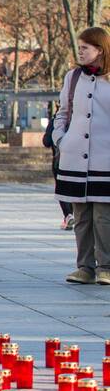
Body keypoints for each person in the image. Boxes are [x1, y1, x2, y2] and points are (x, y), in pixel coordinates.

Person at [53, 27, 110, 284]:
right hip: (74, 156)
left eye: (86, 47)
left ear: (100, 49)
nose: (81, 51)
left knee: (103, 215)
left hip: (105, 157)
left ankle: (106, 267)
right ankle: (84, 267)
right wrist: (60, 139)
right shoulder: (73, 77)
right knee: (82, 216)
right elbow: (63, 112)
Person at [43, 107, 74, 229]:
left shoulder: (56, 120)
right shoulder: (79, 119)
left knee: (62, 190)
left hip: (59, 160)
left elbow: (46, 141)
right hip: (78, 161)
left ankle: (68, 215)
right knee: (75, 188)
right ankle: (73, 215)